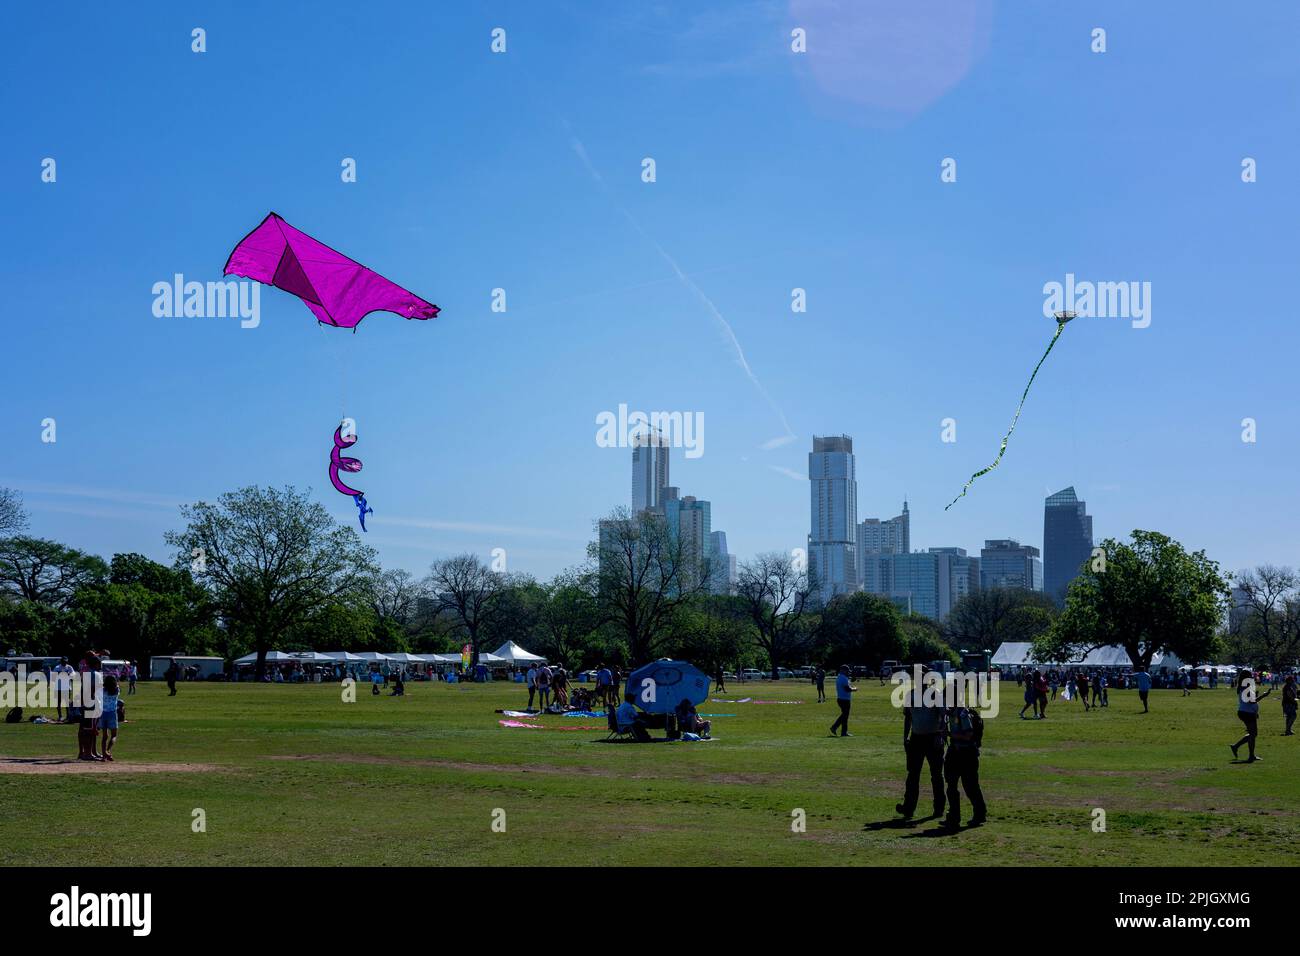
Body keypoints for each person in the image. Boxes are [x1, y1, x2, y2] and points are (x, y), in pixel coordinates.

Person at [897, 673, 946, 820]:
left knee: (936, 775)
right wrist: (905, 737)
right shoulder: (910, 695)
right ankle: (908, 808)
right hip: (916, 738)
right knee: (913, 775)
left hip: (933, 738)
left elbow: (943, 716)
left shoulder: (935, 694)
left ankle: (939, 808)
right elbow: (908, 717)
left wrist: (940, 735)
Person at [942, 703, 986, 829]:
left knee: (970, 786)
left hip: (966, 754)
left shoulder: (962, 713)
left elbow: (968, 735)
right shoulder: (949, 713)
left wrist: (950, 735)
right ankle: (954, 816)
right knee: (951, 785)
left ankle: (979, 814)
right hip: (954, 752)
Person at [1231, 672, 1271, 762]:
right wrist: (1264, 695)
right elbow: (1252, 701)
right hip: (1247, 713)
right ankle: (1249, 755)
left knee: (1253, 734)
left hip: (1247, 712)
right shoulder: (1245, 688)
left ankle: (1237, 747)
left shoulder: (1245, 687)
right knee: (1253, 734)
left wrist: (1255, 711)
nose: (1252, 678)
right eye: (1250, 676)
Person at [75, 654, 103, 761]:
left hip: (87, 703)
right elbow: (93, 689)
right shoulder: (96, 674)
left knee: (87, 729)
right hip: (92, 703)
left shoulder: (87, 674)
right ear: (95, 664)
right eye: (99, 663)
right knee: (89, 730)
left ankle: (88, 752)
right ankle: (88, 753)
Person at [829, 665, 856, 737]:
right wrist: (854, 689)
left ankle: (842, 731)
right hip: (844, 699)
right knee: (845, 716)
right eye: (847, 671)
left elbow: (847, 683)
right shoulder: (843, 678)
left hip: (841, 698)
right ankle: (836, 728)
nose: (848, 672)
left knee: (844, 715)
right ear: (843, 670)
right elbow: (847, 689)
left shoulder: (840, 677)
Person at [99, 675, 121, 761]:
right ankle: (108, 750)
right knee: (114, 735)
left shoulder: (102, 691)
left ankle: (104, 755)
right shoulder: (116, 690)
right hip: (112, 713)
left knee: (104, 736)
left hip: (103, 713)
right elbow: (117, 685)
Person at [53, 658, 74, 723]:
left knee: (67, 702)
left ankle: (68, 716)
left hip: (67, 688)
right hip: (58, 687)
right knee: (58, 702)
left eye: (66, 661)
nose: (64, 663)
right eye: (63, 661)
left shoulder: (69, 667)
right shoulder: (57, 667)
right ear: (61, 661)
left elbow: (73, 676)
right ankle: (60, 716)